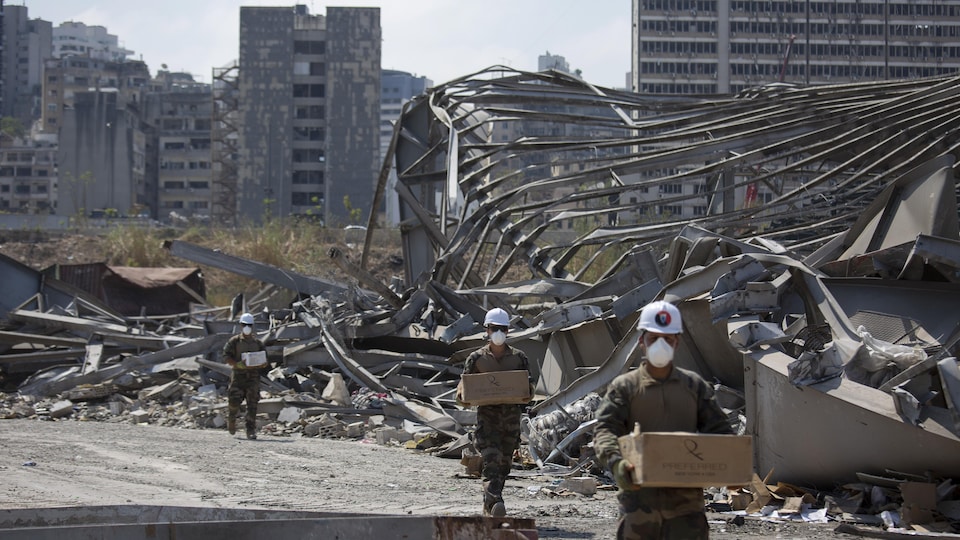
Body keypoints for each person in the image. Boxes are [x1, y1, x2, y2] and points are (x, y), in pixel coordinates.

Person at [593, 300, 734, 540]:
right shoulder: (625, 387)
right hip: (638, 505)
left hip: (686, 509)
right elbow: (605, 430)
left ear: (677, 343)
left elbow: (721, 434)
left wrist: (728, 465)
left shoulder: (695, 386)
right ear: (641, 342)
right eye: (654, 338)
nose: (661, 345)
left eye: (668, 339)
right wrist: (617, 463)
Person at [459, 307, 533, 517]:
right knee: (491, 461)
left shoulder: (519, 358)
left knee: (504, 466)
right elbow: (464, 388)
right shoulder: (476, 358)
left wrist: (526, 392)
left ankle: (489, 506)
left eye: (502, 329)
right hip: (488, 421)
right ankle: (495, 500)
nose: (498, 332)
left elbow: (530, 387)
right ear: (487, 330)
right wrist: (464, 396)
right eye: (494, 328)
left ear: (508, 331)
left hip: (510, 421)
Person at [222, 312, 267, 440]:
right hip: (238, 377)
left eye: (249, 325)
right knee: (234, 401)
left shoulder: (258, 343)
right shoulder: (235, 341)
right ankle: (231, 419)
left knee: (252, 404)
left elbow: (265, 359)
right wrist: (236, 364)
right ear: (241, 325)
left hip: (253, 377)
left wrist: (262, 363)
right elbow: (226, 356)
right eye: (245, 325)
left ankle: (250, 430)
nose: (247, 327)